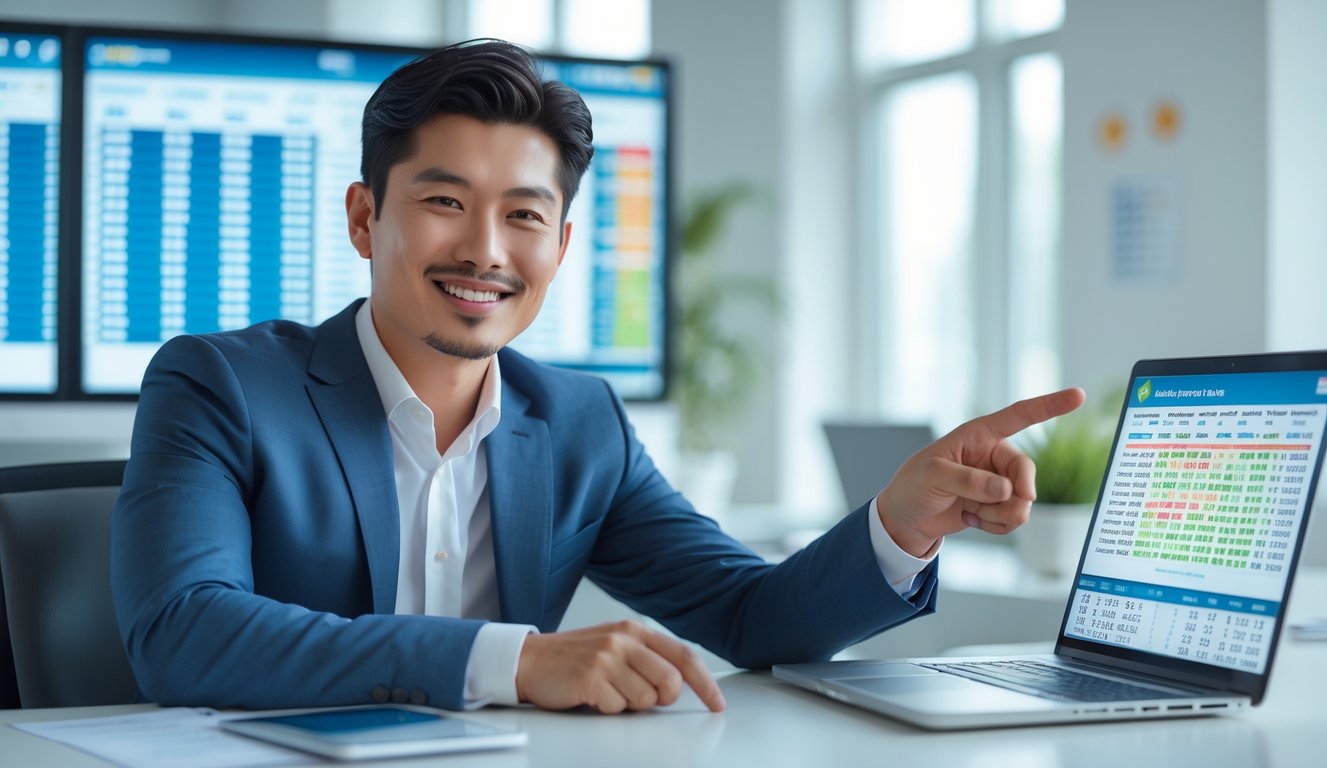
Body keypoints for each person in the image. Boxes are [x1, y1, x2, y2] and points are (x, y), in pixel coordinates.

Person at [111, 38, 1084, 716]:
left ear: (562, 245)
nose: (485, 250)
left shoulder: (578, 422)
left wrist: (899, 524)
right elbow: (184, 634)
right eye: (445, 202)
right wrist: (515, 662)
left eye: (524, 216)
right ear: (366, 218)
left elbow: (751, 618)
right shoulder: (220, 385)